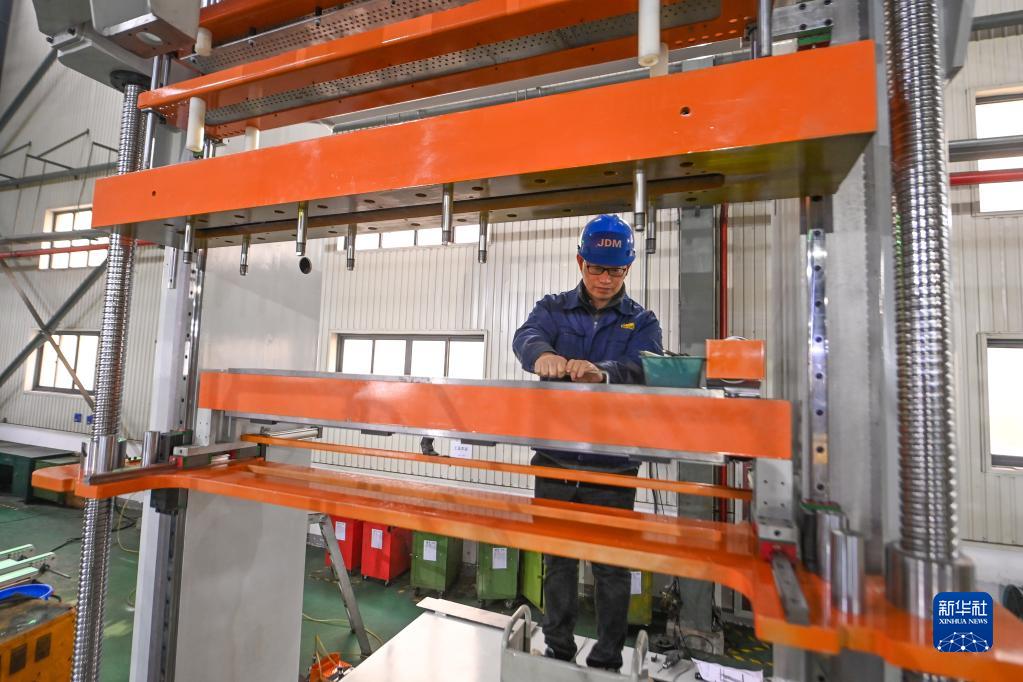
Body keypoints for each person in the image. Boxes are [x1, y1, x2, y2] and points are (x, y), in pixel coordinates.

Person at [512, 214, 663, 670]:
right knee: (557, 560)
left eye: (615, 271)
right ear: (581, 263)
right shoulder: (553, 308)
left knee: (611, 566)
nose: (605, 279)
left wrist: (605, 373)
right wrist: (542, 354)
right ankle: (557, 649)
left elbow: (649, 364)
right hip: (555, 460)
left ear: (628, 269)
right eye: (597, 268)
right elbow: (525, 336)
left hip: (612, 467)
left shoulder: (641, 321)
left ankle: (607, 658)